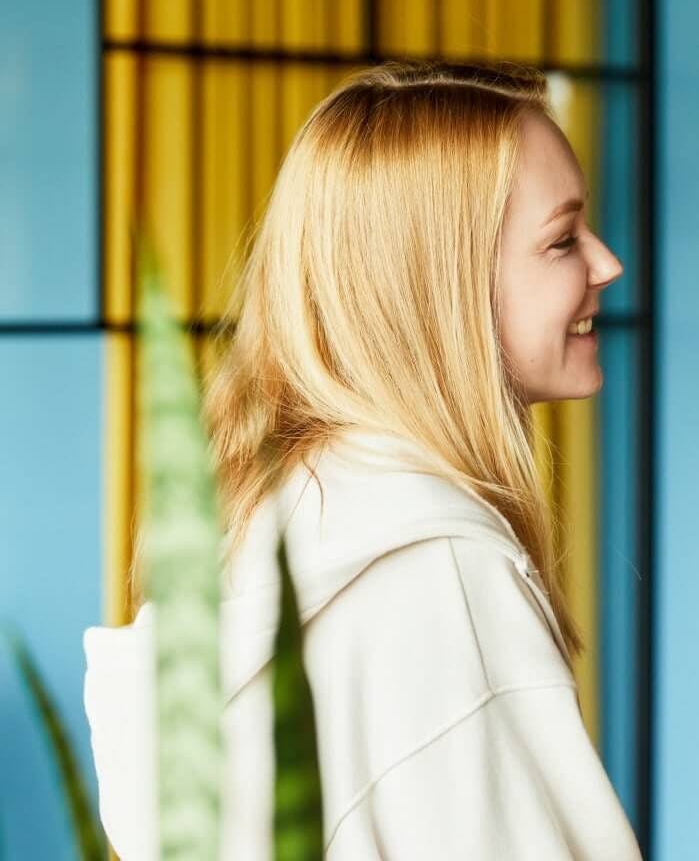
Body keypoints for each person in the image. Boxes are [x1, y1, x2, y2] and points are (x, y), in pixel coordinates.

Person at [82, 60, 643, 859]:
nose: (607, 264)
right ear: (436, 283)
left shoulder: (300, 511)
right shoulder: (435, 569)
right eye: (562, 240)